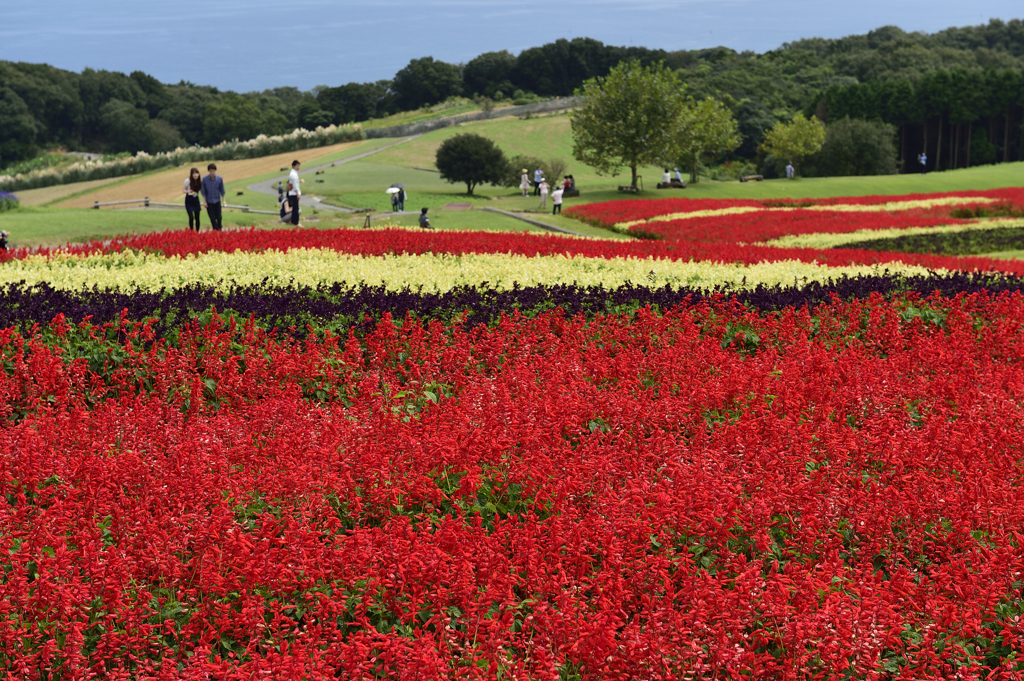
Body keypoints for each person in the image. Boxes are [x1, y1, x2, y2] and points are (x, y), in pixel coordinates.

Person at [201, 163, 225, 231]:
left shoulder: (219, 178)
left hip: (217, 200)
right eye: (211, 171)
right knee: (212, 217)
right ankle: (216, 230)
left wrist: (224, 200)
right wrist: (204, 201)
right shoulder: (205, 179)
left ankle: (219, 229)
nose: (212, 172)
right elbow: (203, 191)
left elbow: (222, 190)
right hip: (209, 201)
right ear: (208, 171)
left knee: (219, 217)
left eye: (213, 171)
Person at [183, 167, 202, 231]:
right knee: (191, 217)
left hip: (196, 199)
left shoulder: (199, 181)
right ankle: (191, 231)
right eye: (194, 173)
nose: (195, 175)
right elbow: (183, 190)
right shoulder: (187, 181)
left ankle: (197, 231)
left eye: (196, 173)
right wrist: (189, 192)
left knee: (197, 217)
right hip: (189, 199)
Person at [287, 160, 303, 227]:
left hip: (293, 192)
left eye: (298, 166)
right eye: (297, 166)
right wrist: (298, 194)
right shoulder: (293, 174)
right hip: (294, 193)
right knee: (296, 208)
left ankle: (294, 221)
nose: (298, 167)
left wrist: (299, 181)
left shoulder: (294, 173)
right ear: (293, 166)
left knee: (295, 208)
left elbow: (295, 182)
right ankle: (296, 222)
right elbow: (295, 185)